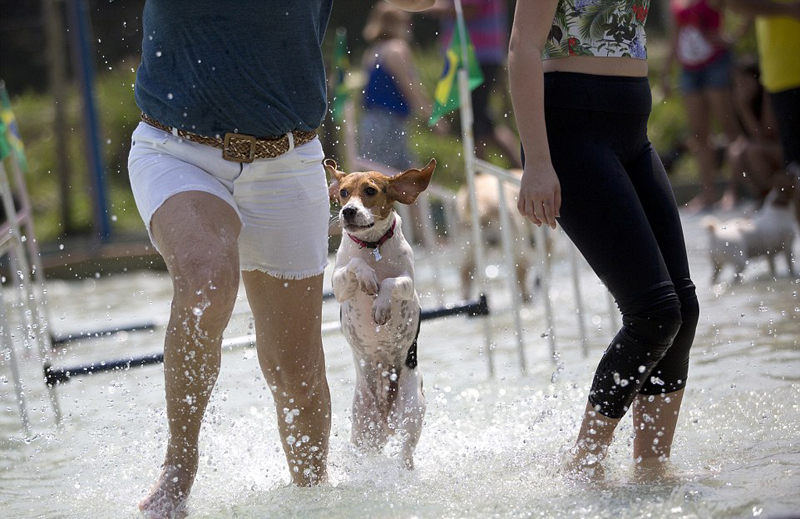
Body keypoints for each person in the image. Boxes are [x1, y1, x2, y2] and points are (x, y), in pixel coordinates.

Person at [127, 1, 433, 517]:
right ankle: (178, 470)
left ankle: (314, 499)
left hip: (288, 160)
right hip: (177, 150)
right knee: (207, 283)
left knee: (297, 368)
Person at [508, 0, 701, 477]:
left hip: (633, 129)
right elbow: (522, 47)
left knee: (683, 308)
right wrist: (536, 162)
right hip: (572, 129)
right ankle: (585, 464)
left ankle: (652, 465)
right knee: (655, 314)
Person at [661, 0, 743, 212]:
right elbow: (675, 33)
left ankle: (734, 190)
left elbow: (744, 8)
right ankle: (708, 194)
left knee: (729, 129)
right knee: (700, 134)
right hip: (689, 69)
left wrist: (734, 36)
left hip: (715, 63)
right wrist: (666, 70)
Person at [727, 0, 800, 225]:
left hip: (785, 74)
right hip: (783, 75)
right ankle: (772, 205)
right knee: (796, 171)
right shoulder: (760, 90)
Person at [429, 0, 522, 167]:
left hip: (478, 56)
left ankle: (481, 175)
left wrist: (425, 7)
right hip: (477, 55)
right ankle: (516, 168)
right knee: (482, 119)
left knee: (475, 120)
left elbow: (469, 10)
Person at [721, 57, 784, 209]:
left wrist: (744, 109)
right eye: (737, 83)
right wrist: (731, 191)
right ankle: (763, 197)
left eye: (745, 81)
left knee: (753, 152)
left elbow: (763, 137)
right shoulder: (738, 100)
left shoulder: (767, 97)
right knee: (735, 152)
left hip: (782, 151)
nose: (741, 87)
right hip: (764, 149)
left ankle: (776, 198)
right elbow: (740, 137)